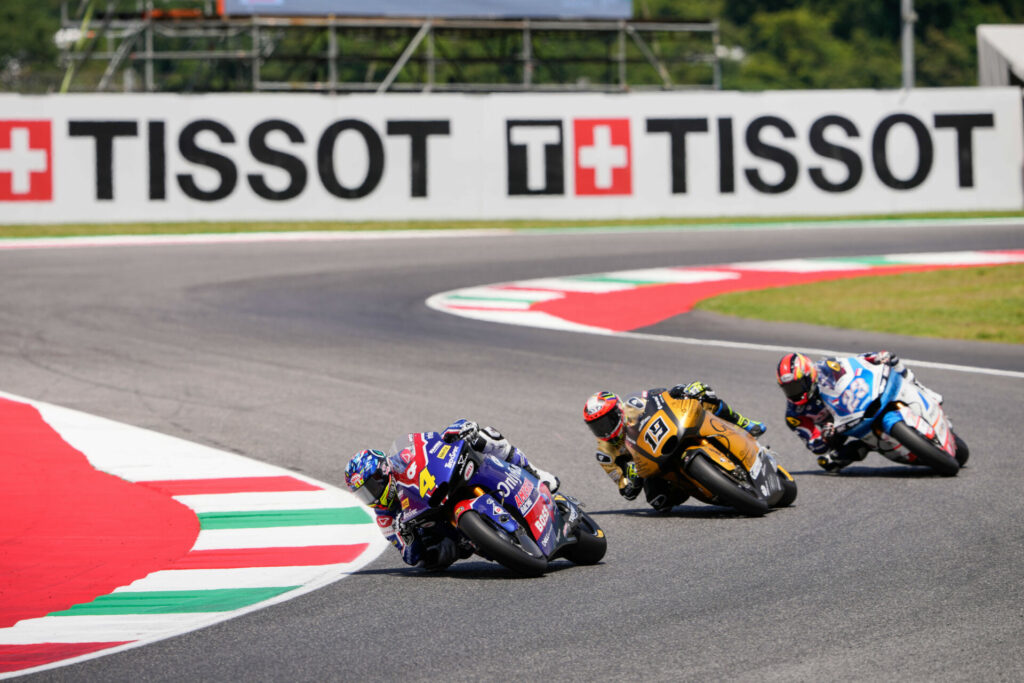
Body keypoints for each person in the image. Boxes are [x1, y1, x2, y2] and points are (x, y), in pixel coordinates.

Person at [344, 418, 560, 570]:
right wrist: (408, 538)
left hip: (443, 487)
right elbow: (409, 557)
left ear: (382, 473)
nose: (371, 497)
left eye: (370, 488)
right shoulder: (384, 517)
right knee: (429, 562)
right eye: (364, 494)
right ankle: (480, 540)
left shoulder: (404, 457)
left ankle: (534, 473)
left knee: (485, 437)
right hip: (444, 533)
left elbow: (432, 442)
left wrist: (457, 430)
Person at [583, 381, 767, 512]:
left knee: (704, 396)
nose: (604, 429)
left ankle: (744, 423)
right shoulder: (605, 453)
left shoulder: (634, 405)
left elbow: (660, 395)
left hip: (670, 434)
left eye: (607, 421)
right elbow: (626, 491)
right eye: (597, 426)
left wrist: (680, 390)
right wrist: (632, 479)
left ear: (619, 410)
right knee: (658, 501)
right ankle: (706, 487)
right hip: (651, 466)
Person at [775, 350, 933, 473]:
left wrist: (875, 357)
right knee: (829, 462)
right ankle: (869, 445)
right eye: (788, 388)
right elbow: (814, 445)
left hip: (856, 403)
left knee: (892, 361)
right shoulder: (794, 415)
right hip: (840, 430)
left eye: (797, 385)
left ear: (810, 375)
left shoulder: (827, 367)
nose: (793, 392)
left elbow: (855, 362)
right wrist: (825, 437)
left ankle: (924, 392)